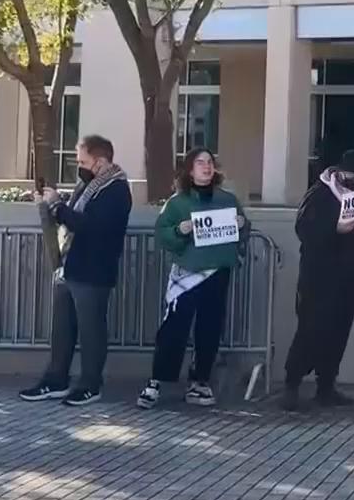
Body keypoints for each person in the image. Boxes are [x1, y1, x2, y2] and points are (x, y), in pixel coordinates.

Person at [20, 134, 132, 407]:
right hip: (70, 266)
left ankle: (90, 384)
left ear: (101, 161)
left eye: (83, 161)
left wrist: (57, 206)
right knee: (62, 328)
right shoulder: (88, 185)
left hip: (94, 270)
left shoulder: (115, 190)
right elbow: (72, 214)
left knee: (91, 329)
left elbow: (88, 226)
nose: (79, 165)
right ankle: (56, 379)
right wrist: (51, 203)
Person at [142, 149, 245, 409]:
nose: (206, 167)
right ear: (190, 169)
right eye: (200, 163)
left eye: (210, 162)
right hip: (187, 274)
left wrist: (242, 225)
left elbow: (242, 232)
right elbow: (163, 233)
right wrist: (179, 230)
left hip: (218, 272)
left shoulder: (228, 200)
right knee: (174, 327)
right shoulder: (177, 202)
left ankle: (200, 381)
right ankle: (157, 380)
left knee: (209, 328)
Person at [283, 149, 354, 411]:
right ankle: (292, 384)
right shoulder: (320, 193)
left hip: (347, 273)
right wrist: (334, 228)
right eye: (352, 174)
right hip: (319, 273)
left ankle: (326, 386)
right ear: (339, 172)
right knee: (311, 328)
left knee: (339, 330)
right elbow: (304, 229)